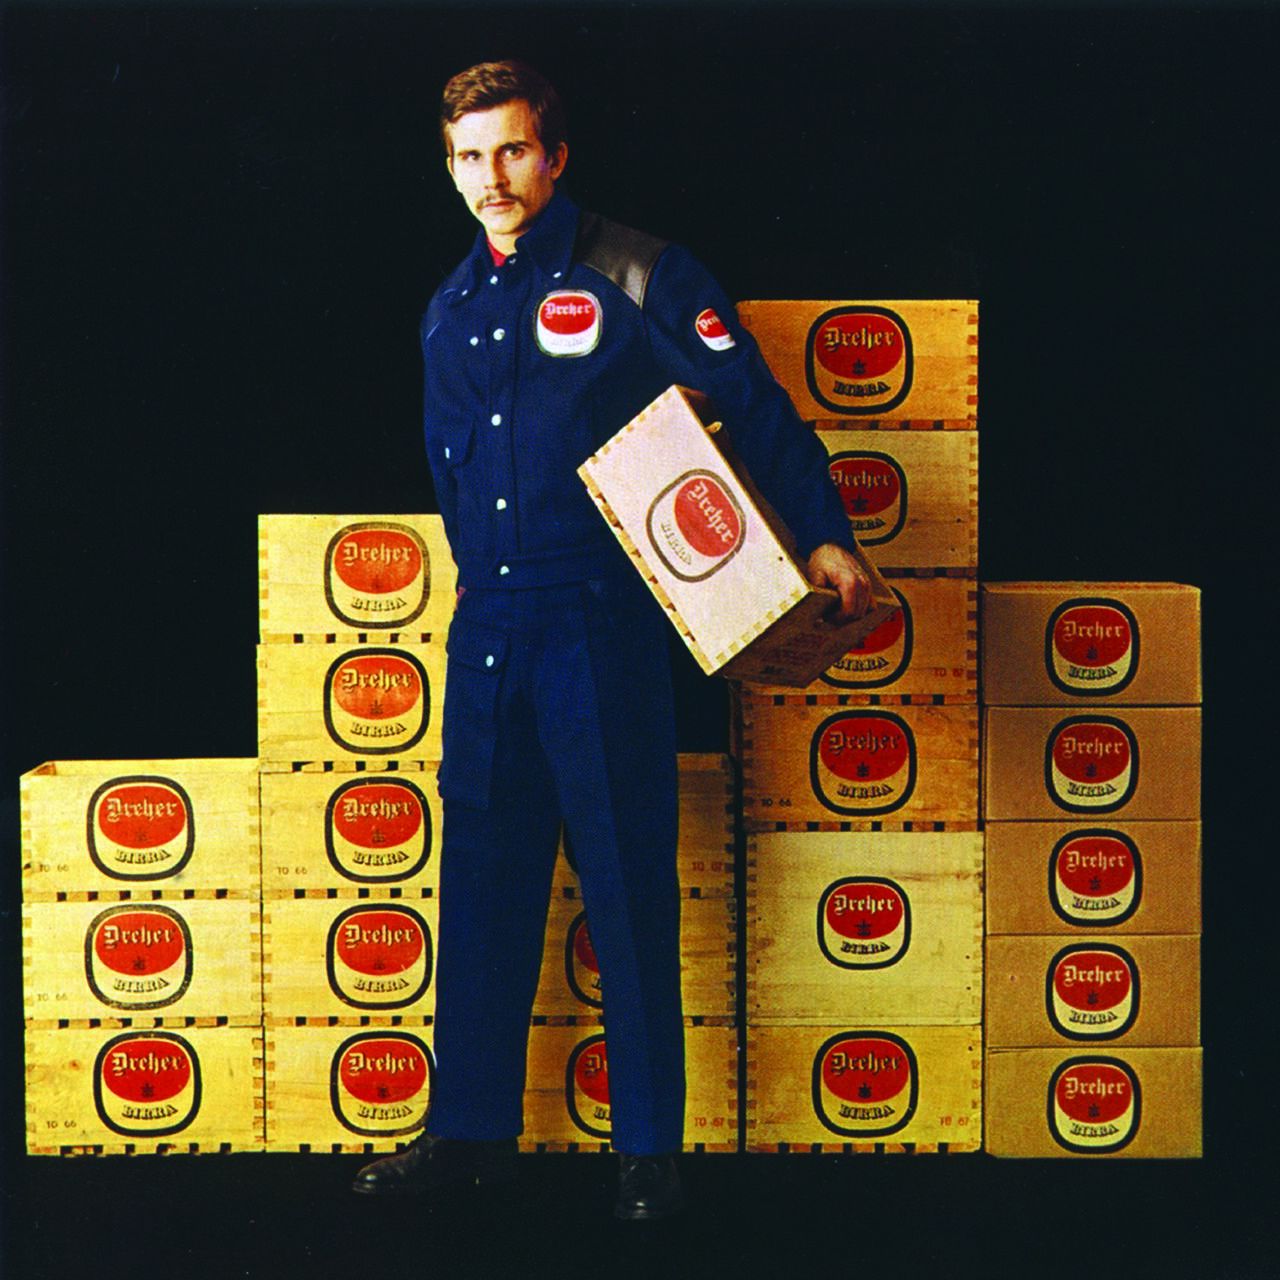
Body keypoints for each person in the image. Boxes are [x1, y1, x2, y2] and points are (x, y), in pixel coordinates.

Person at [352, 59, 870, 1220]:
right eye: (468, 158)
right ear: (448, 169)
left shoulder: (638, 272)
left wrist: (824, 534)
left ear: (557, 156)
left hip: (601, 628)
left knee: (628, 889)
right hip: (487, 631)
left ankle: (648, 1153)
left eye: (514, 151)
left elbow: (758, 404)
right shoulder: (449, 309)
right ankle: (467, 1130)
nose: (492, 178)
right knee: (480, 891)